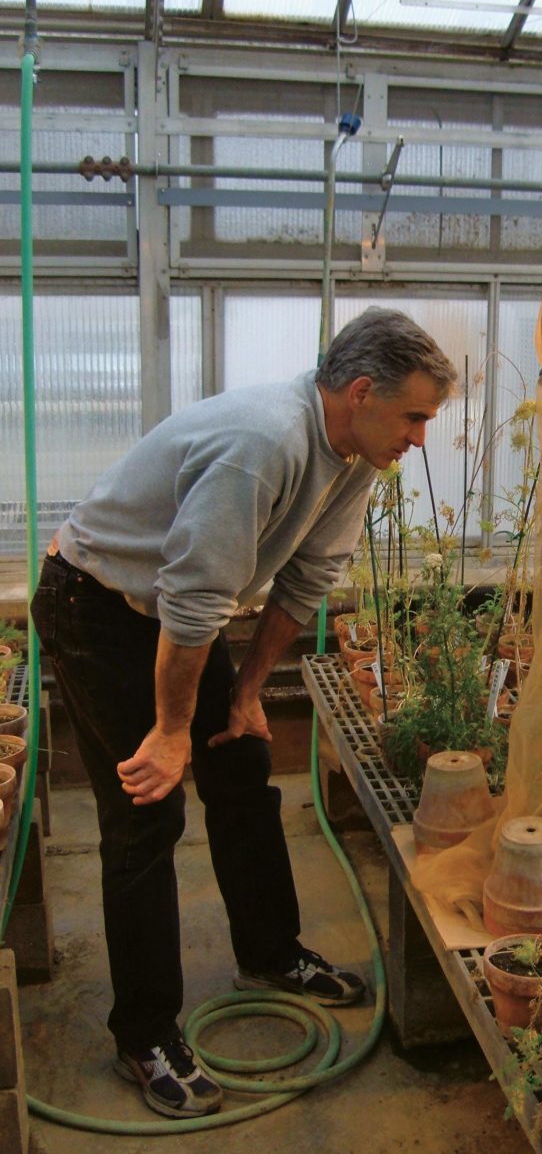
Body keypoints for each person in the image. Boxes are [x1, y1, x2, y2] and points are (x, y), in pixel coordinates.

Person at [30, 307, 456, 1119]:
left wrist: (250, 691)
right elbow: (192, 604)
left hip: (175, 615)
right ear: (362, 392)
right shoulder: (265, 442)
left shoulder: (356, 453)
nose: (420, 438)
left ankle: (269, 953)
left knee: (240, 766)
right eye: (415, 416)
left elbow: (303, 582)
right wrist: (166, 733)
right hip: (98, 603)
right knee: (144, 809)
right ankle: (144, 1031)